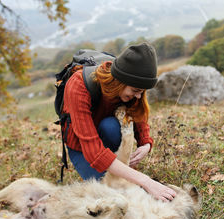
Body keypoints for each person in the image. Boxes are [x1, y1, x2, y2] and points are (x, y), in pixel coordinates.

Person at [62, 42, 176, 202]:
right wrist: (145, 181)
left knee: (110, 127)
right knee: (108, 194)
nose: (138, 96)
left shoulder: (133, 87)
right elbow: (94, 152)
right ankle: (114, 165)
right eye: (136, 91)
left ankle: (116, 162)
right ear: (119, 82)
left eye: (141, 92)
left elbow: (139, 113)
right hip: (82, 146)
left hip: (106, 130)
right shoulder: (78, 85)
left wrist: (146, 143)